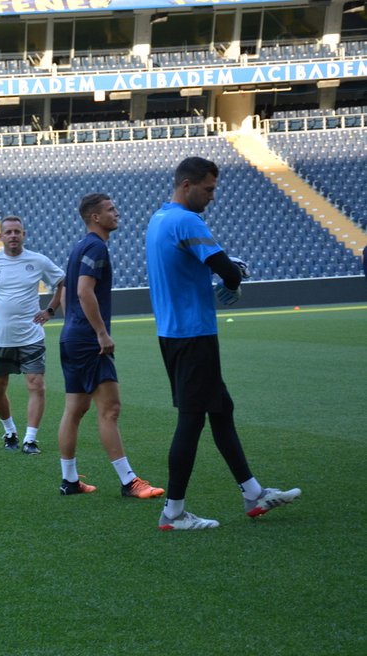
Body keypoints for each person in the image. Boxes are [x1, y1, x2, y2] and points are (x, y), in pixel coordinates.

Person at [146, 157, 301, 530]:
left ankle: (253, 493)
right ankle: (173, 512)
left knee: (220, 410)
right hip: (193, 334)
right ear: (187, 185)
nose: (213, 196)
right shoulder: (187, 220)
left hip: (175, 333)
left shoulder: (158, 219)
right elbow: (229, 272)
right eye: (209, 188)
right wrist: (232, 279)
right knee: (191, 419)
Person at [56, 194, 165, 499]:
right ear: (95, 217)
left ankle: (69, 480)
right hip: (88, 340)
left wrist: (73, 324)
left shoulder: (79, 247)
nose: (117, 213)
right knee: (110, 409)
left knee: (75, 409)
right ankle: (129, 481)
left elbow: (65, 290)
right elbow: (83, 290)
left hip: (72, 337)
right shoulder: (96, 246)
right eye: (111, 210)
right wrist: (100, 333)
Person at [0, 216, 65, 454]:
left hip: (31, 335)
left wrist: (50, 310)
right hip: (0, 337)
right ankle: (9, 431)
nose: (13, 236)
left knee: (36, 385)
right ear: (1, 237)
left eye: (17, 231)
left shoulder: (38, 260)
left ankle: (30, 439)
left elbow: (63, 282)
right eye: (9, 232)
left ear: (24, 235)